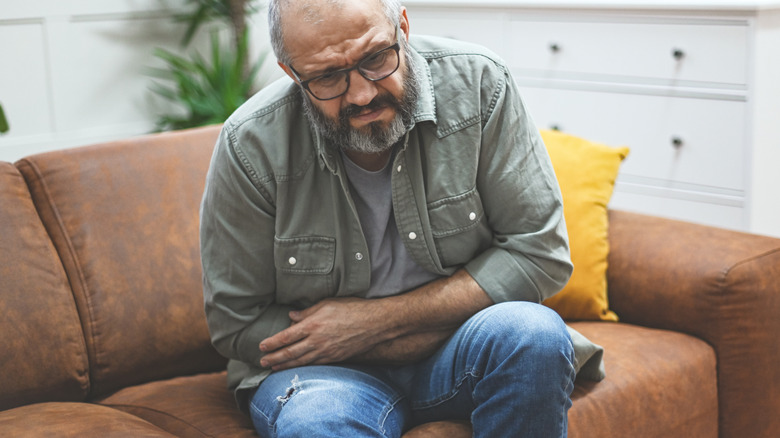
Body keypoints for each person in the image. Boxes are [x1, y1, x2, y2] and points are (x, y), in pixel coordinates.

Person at [200, 0, 603, 436]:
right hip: (326, 373)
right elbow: (236, 322)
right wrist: (383, 340)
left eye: (375, 58)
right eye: (327, 76)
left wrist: (374, 324)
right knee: (317, 422)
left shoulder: (479, 84)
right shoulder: (250, 146)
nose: (361, 94)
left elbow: (539, 253)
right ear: (291, 73)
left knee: (533, 334)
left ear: (403, 27)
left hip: (455, 346)